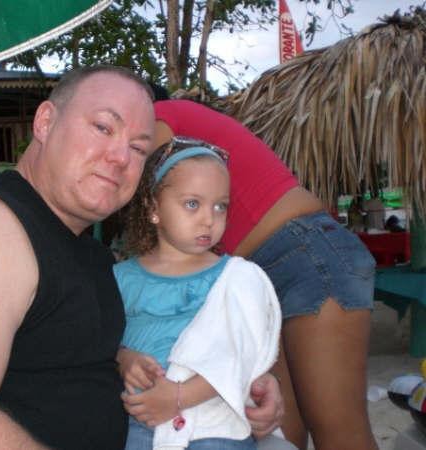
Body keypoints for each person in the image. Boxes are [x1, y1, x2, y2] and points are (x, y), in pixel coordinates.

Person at [0, 66, 283, 450]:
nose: (121, 157)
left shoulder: (92, 257)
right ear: (45, 122)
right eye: (103, 128)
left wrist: (230, 387)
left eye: (138, 148)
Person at [152, 99, 378, 450]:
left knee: (339, 433)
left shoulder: (158, 116)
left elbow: (143, 193)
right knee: (275, 433)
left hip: (307, 254)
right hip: (259, 276)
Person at [115, 138, 282, 450]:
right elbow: (102, 342)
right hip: (142, 416)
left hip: (214, 421)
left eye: (220, 206)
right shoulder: (121, 278)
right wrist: (124, 358)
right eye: (192, 204)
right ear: (154, 208)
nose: (209, 219)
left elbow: (240, 354)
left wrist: (179, 397)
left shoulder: (235, 279)